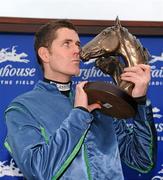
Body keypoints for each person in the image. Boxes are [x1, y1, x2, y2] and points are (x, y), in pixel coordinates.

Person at [4, 20, 157, 180]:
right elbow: (38, 171)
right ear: (45, 54)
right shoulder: (22, 107)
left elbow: (142, 160)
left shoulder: (99, 99)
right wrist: (80, 114)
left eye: (77, 44)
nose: (77, 50)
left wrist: (139, 102)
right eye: (67, 44)